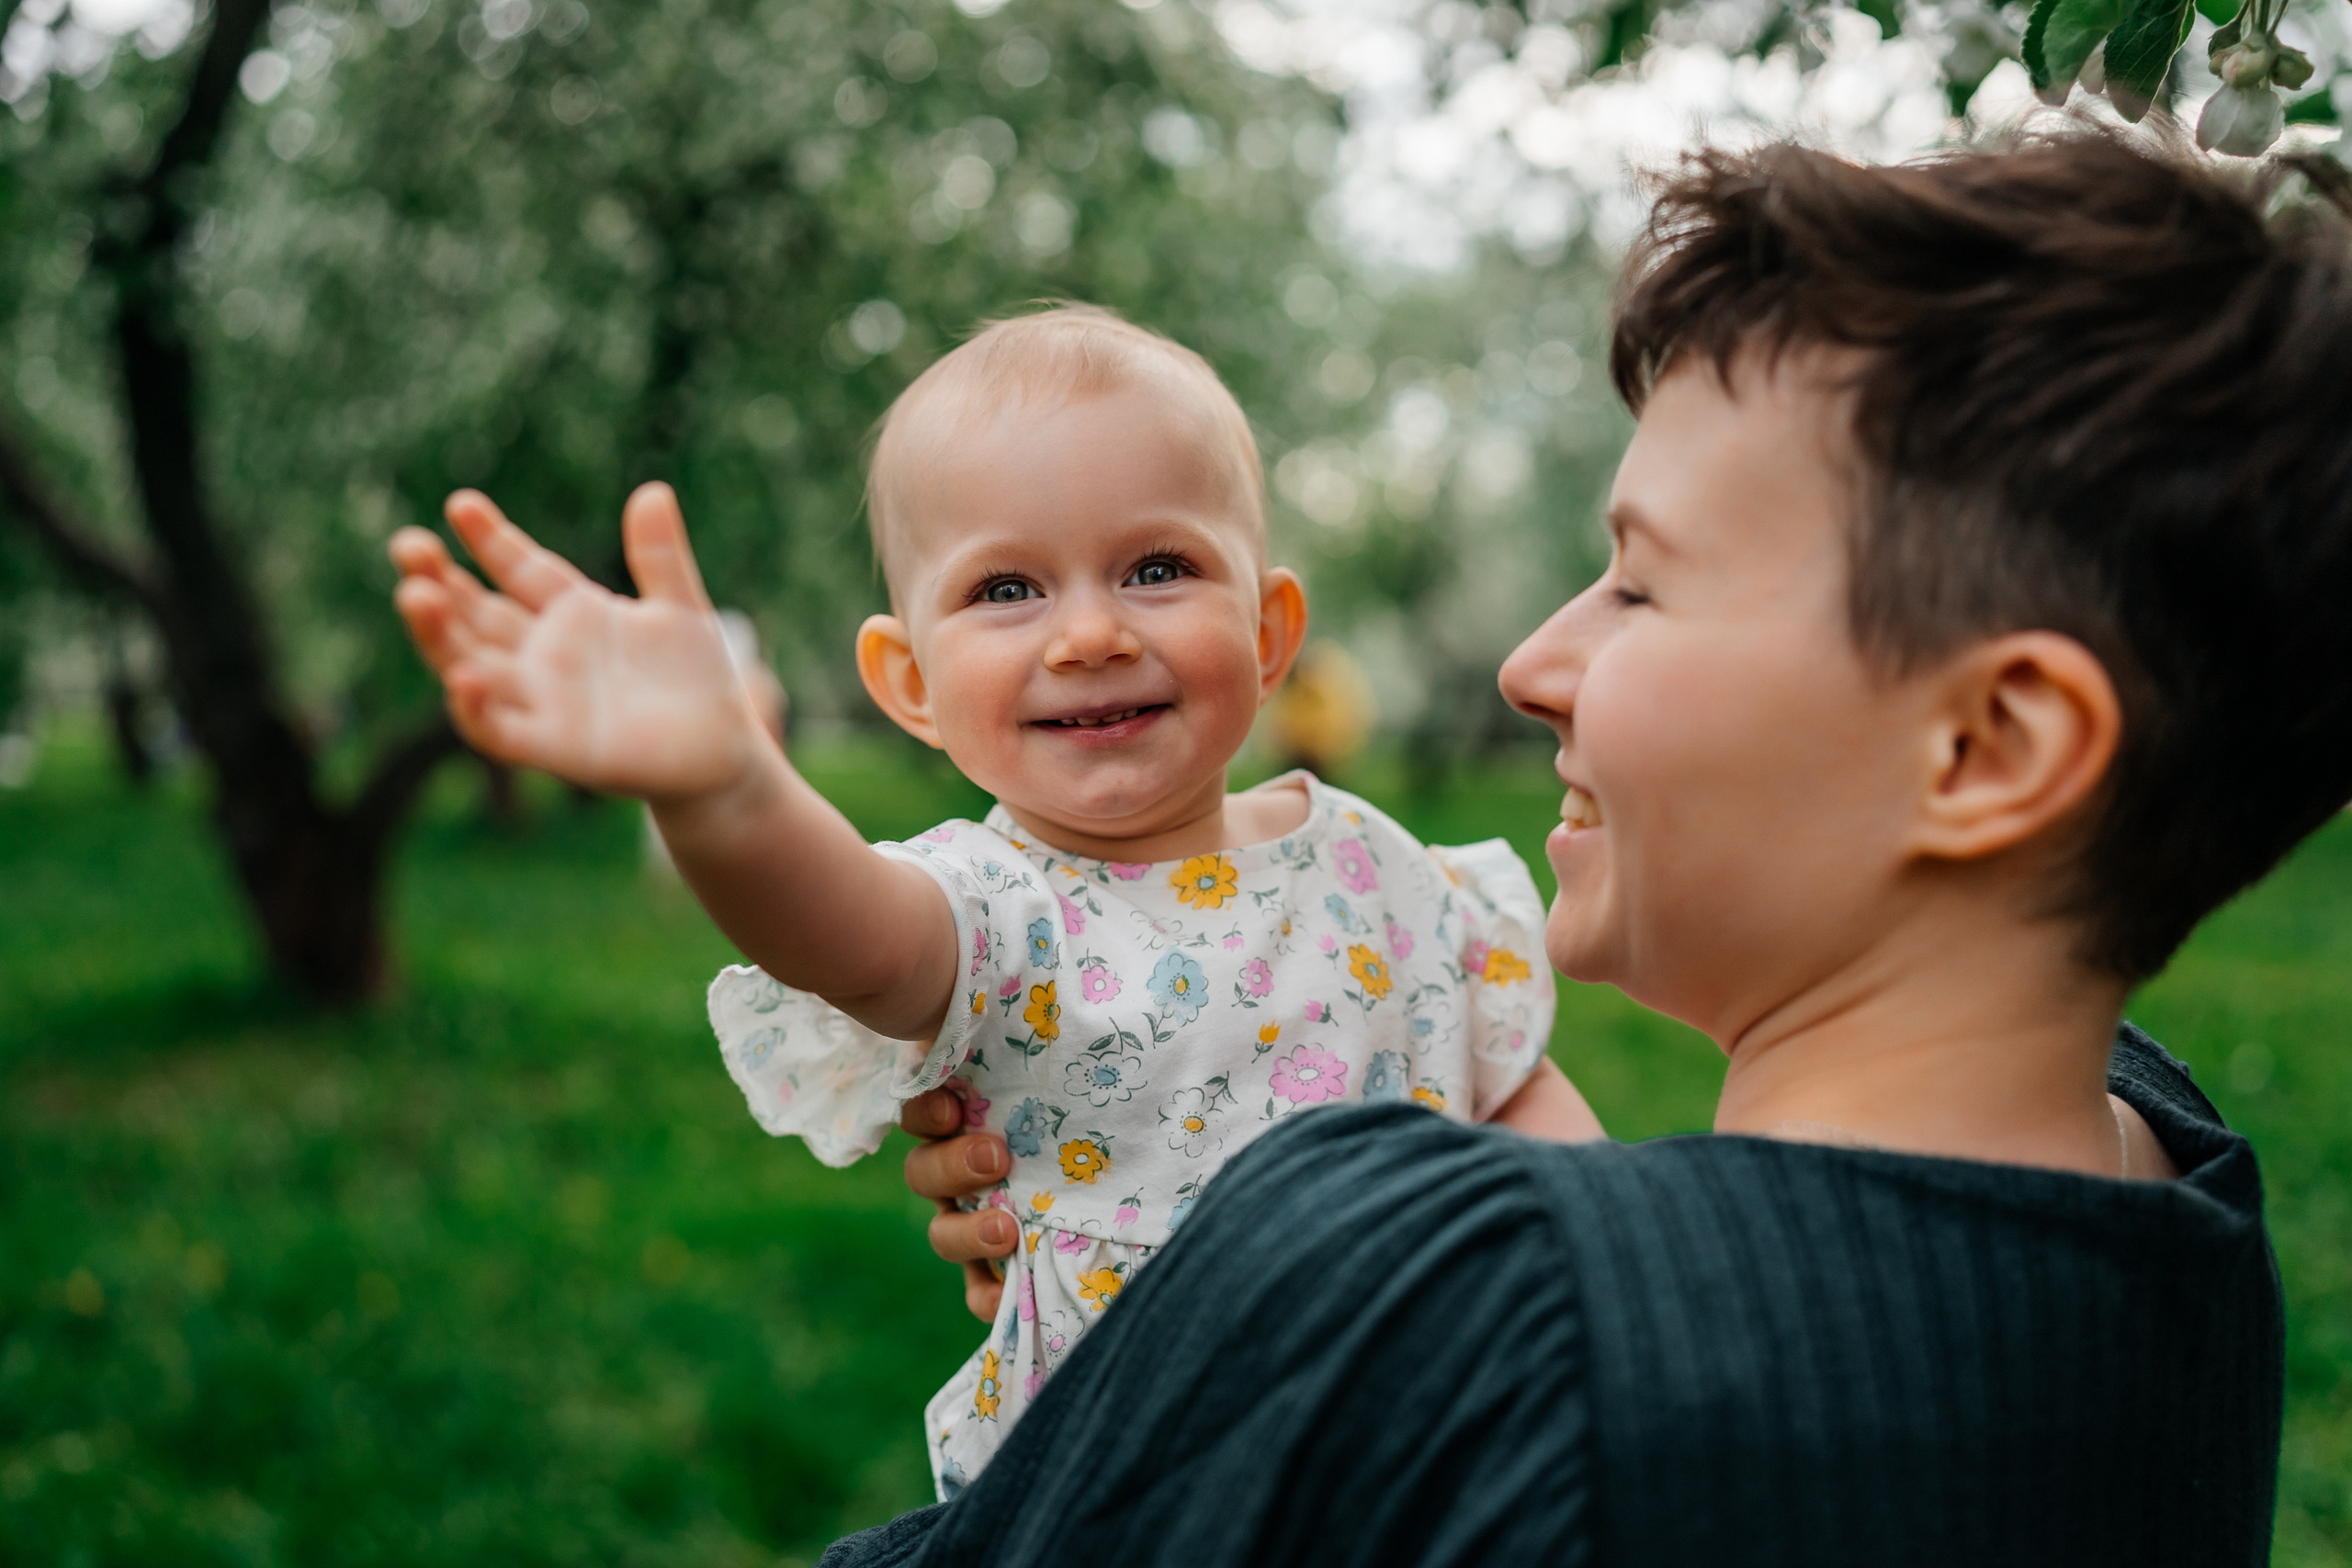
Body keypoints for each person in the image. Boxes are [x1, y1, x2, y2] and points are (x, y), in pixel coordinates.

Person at [868, 131, 2352, 1564]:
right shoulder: (2168, 1170)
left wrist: (1193, 1362)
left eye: (1640, 588)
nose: (1530, 663)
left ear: (1990, 748)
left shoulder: (1456, 1304)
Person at [384, 306, 1598, 1496]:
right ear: (908, 682)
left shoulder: (1384, 869)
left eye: (1159, 567)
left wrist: (1612, 1296)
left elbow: (1519, 1092)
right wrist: (726, 793)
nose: (1086, 632)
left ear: (1271, 631)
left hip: (1444, 1436)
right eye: (1008, 590)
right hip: (1145, 1485)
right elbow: (837, 927)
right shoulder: (996, 912)